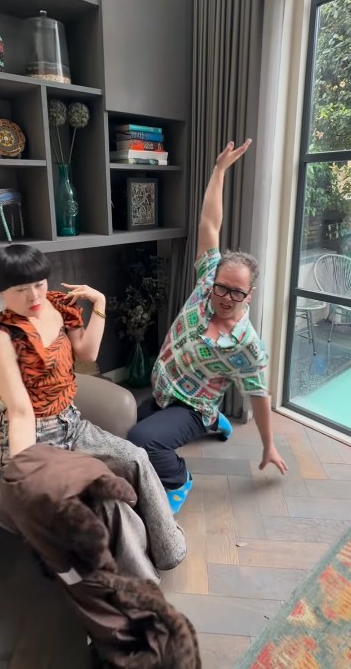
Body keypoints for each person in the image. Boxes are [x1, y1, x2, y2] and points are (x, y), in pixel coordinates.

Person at [0, 244, 186, 577]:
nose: (34, 295)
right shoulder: (0, 338)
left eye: (39, 283)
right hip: (36, 438)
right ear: (1, 292)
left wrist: (99, 304)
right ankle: (139, 587)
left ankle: (169, 548)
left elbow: (87, 352)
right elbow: (21, 412)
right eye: (20, 289)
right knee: (106, 505)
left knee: (137, 458)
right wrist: (28, 469)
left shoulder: (57, 305)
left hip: (72, 423)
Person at [128, 140, 288, 514]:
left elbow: (259, 396)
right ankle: (216, 421)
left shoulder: (247, 346)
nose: (225, 297)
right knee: (130, 424)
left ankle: (179, 478)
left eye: (237, 292)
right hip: (166, 388)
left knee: (142, 441)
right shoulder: (204, 287)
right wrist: (218, 171)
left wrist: (268, 445)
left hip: (192, 405)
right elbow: (209, 224)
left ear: (249, 295)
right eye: (222, 287)